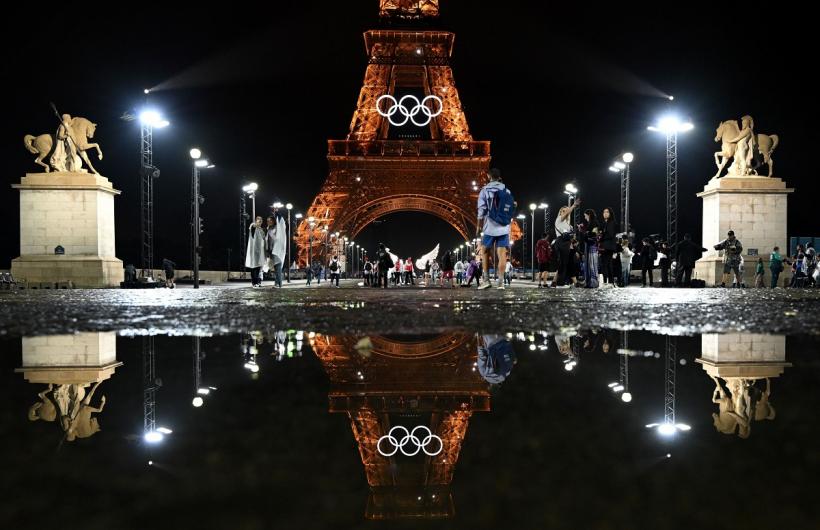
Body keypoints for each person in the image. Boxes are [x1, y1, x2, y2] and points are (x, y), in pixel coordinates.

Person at [476, 168, 514, 290]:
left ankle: (486, 280)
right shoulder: (506, 190)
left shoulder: (484, 190)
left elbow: (481, 210)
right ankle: (501, 282)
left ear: (488, 176)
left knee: (485, 251)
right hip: (503, 226)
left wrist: (478, 226)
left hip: (489, 226)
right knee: (502, 254)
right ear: (499, 177)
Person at [553, 199, 581, 286]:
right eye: (563, 211)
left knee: (570, 263)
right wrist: (573, 206)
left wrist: (575, 249)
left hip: (569, 245)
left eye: (566, 211)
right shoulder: (558, 220)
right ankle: (555, 281)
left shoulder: (569, 225)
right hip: (561, 243)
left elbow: (571, 237)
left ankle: (576, 283)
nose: (566, 212)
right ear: (560, 212)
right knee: (562, 263)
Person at [579, 209, 600, 288]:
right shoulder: (592, 222)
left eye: (585, 216)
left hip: (591, 245)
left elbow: (593, 234)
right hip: (590, 245)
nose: (585, 218)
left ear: (589, 215)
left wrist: (582, 230)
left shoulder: (594, 223)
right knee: (590, 264)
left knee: (591, 264)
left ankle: (592, 282)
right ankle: (590, 282)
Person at [265, 215, 287, 288]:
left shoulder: (277, 228)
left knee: (278, 268)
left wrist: (278, 213)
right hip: (272, 251)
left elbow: (281, 221)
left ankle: (279, 284)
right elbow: (268, 241)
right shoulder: (268, 229)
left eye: (270, 220)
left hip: (277, 250)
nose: (269, 222)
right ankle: (277, 284)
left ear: (274, 221)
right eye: (267, 220)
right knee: (277, 268)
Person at [245, 216, 267, 287]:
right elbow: (253, 226)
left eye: (261, 220)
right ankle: (254, 282)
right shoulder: (253, 226)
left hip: (260, 252)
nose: (259, 222)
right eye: (258, 220)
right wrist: (255, 224)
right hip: (254, 251)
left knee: (259, 267)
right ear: (256, 221)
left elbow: (264, 239)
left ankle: (257, 282)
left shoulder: (261, 230)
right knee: (253, 267)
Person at [599, 207, 618, 286]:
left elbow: (610, 234)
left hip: (607, 246)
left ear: (610, 214)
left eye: (607, 212)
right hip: (608, 246)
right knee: (608, 264)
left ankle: (606, 282)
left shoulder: (611, 222)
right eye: (604, 212)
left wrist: (602, 235)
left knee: (605, 264)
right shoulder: (605, 223)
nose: (605, 213)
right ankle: (610, 282)